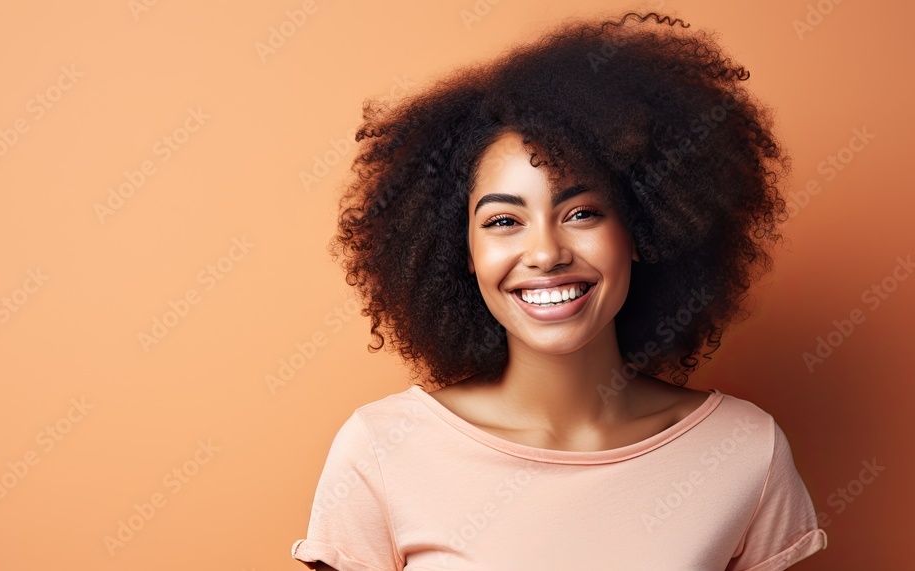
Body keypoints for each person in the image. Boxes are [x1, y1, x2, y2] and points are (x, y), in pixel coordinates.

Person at [291, 11, 828, 570]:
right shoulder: (381, 451)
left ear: (641, 231)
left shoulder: (744, 451)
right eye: (503, 221)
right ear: (464, 254)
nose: (546, 253)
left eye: (582, 213)